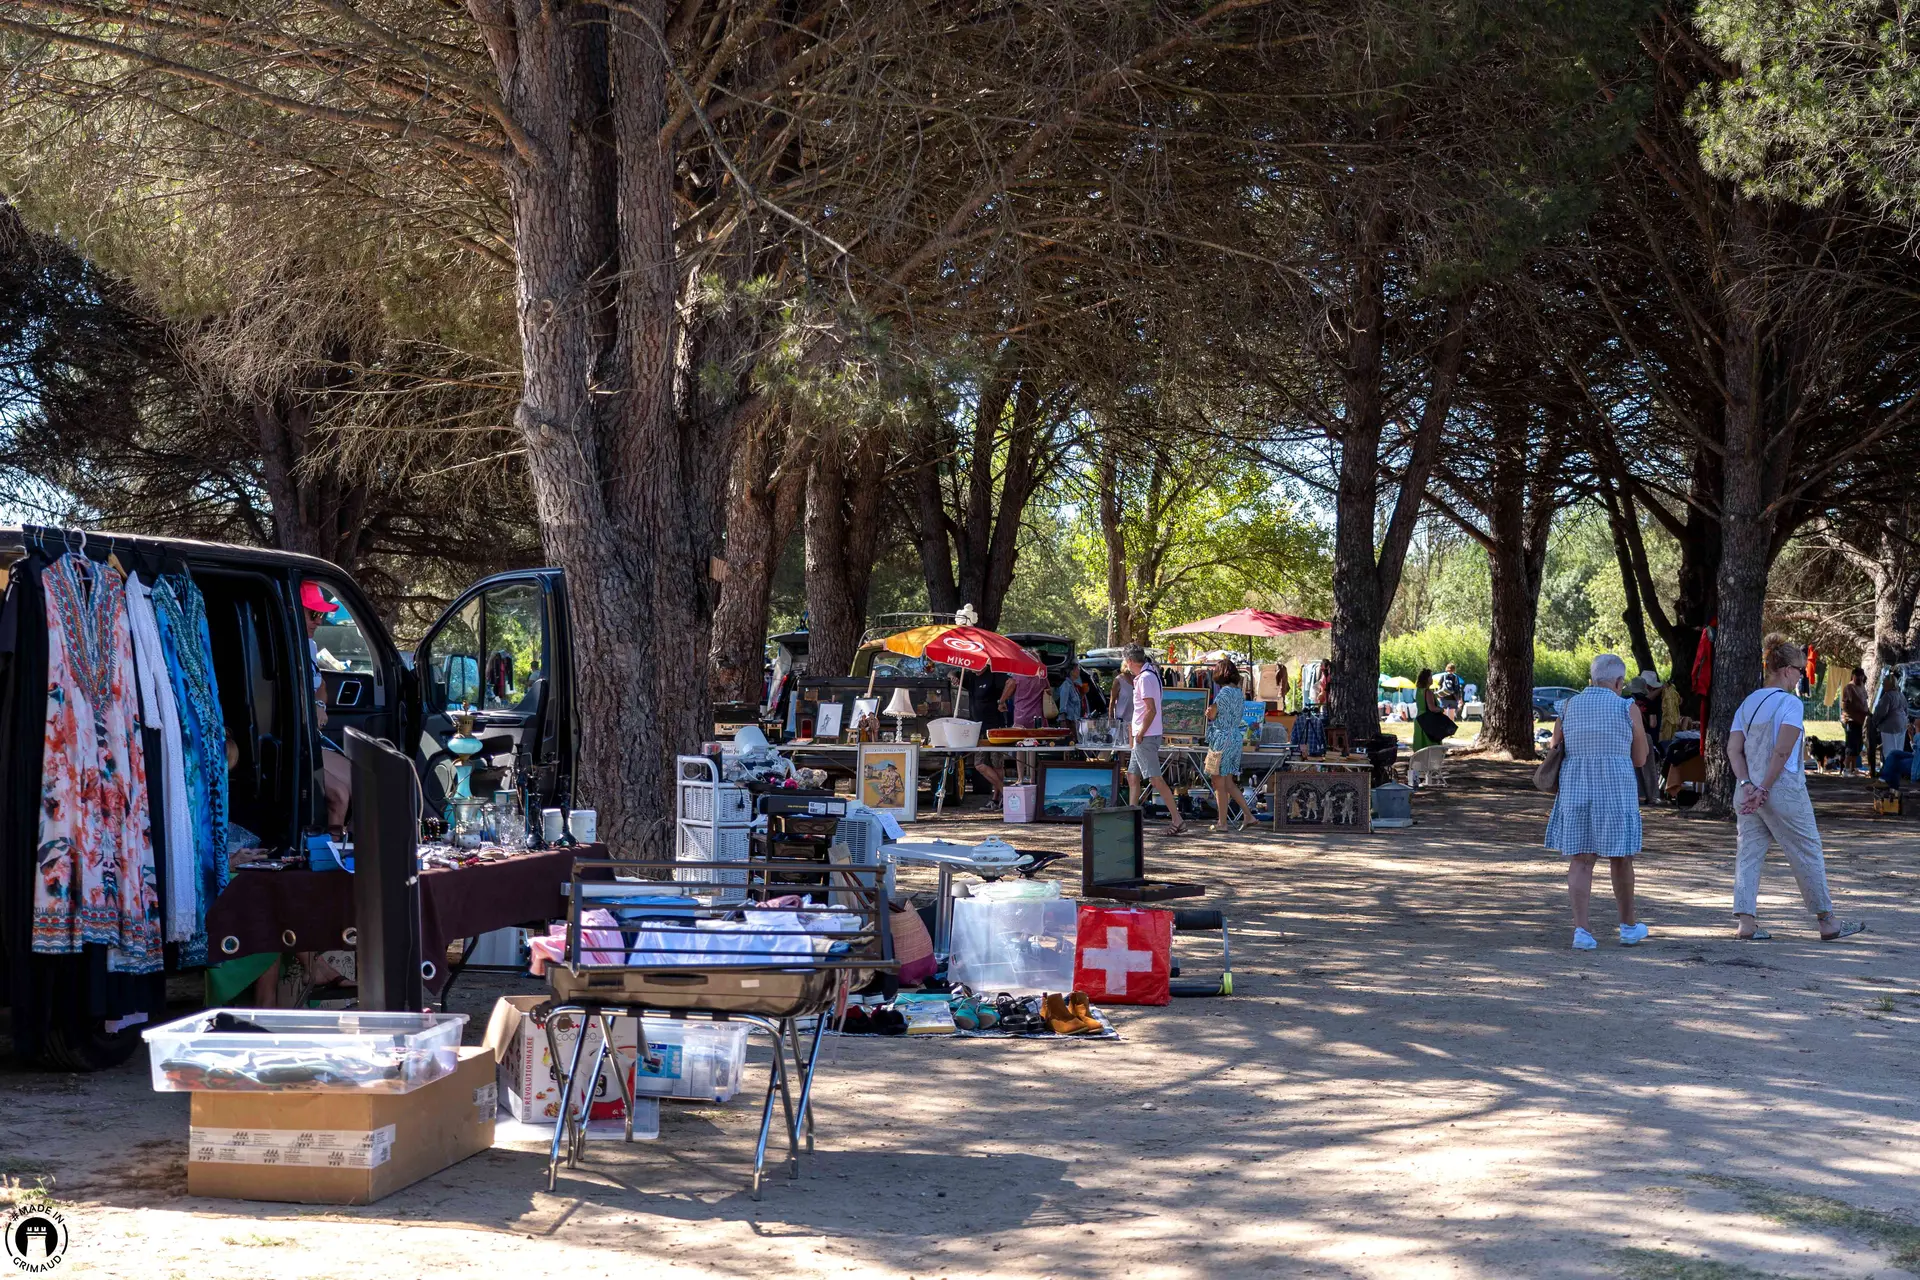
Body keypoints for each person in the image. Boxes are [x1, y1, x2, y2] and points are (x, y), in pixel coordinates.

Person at [1729, 633, 1866, 942]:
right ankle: (1827, 921)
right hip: (1781, 787)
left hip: (1748, 790)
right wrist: (1764, 787)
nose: (1801, 677)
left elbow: (1733, 749)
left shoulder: (1747, 703)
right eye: (1800, 671)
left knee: (1749, 853)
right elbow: (1782, 750)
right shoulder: (1790, 703)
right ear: (1787, 669)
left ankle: (1746, 923)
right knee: (1807, 850)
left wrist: (1747, 784)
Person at [1543, 653, 1649, 950]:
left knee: (1581, 860)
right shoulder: (1627, 707)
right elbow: (1639, 758)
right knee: (1621, 857)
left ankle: (1582, 931)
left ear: (1592, 679)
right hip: (1616, 789)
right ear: (1618, 682)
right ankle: (1628, 926)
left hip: (1576, 787)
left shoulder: (1567, 706)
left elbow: (1555, 747)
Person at [301, 581, 353, 835]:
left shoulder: (309, 646)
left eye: (320, 614)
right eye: (313, 614)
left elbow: (321, 685)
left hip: (311, 738)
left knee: (362, 782)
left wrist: (319, 704)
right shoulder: (284, 645)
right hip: (297, 743)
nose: (319, 621)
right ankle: (329, 858)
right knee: (340, 794)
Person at [1122, 644, 1188, 835]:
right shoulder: (1150, 674)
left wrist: (1141, 732)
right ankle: (1131, 820)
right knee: (1132, 776)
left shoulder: (1145, 678)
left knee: (1155, 779)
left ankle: (1177, 820)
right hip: (1146, 734)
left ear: (1130, 661)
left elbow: (1150, 710)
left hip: (1146, 736)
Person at [1204, 658, 1254, 832]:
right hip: (1234, 737)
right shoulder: (1239, 693)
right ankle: (1248, 815)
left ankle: (1222, 823)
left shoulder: (1223, 693)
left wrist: (1208, 712)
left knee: (1218, 782)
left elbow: (1212, 714)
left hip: (1221, 738)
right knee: (1228, 782)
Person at [1870, 668, 1909, 774]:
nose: (1882, 685)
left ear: (1889, 684)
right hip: (1902, 725)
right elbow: (1906, 710)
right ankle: (1897, 772)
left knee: (1889, 751)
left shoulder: (1888, 696)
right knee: (1898, 750)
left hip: (1890, 727)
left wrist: (1875, 721)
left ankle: (1890, 774)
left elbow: (1881, 712)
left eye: (1884, 683)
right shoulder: (1901, 695)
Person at [1840, 667, 1870, 775]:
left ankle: (1853, 768)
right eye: (1857, 678)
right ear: (1853, 676)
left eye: (1861, 678)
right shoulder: (1849, 688)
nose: (1859, 680)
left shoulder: (1862, 686)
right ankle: (1846, 769)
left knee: (1858, 746)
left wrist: (1867, 712)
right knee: (1851, 745)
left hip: (1861, 720)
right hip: (1851, 720)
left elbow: (1865, 701)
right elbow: (1845, 705)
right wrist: (1857, 711)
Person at [1410, 669, 1446, 753]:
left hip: (1419, 718)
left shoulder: (1418, 691)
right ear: (1426, 679)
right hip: (1428, 720)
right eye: (1431, 676)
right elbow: (1432, 708)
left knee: (1420, 745)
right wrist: (1441, 709)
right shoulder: (1428, 692)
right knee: (1430, 747)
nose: (1432, 679)